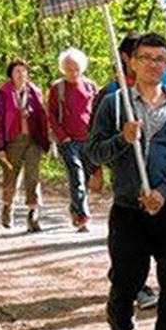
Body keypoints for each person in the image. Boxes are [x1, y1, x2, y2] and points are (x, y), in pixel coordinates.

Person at [88, 33, 166, 330]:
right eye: (146, 58)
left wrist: (165, 191)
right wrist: (123, 139)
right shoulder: (114, 103)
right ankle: (119, 321)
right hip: (127, 208)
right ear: (131, 62)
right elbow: (93, 151)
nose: (153, 65)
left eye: (160, 59)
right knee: (127, 277)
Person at [98, 31, 159, 310]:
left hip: (160, 182)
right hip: (127, 181)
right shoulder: (110, 95)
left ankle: (135, 280)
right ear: (127, 58)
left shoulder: (163, 87)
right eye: (141, 55)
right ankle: (133, 284)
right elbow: (95, 143)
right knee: (129, 240)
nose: (149, 62)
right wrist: (95, 170)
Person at [0, 59, 49, 233]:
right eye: (18, 71)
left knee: (33, 176)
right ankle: (7, 206)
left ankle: (33, 214)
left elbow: (42, 116)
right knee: (11, 176)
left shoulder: (35, 92)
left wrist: (46, 141)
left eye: (24, 71)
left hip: (33, 139)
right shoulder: (3, 93)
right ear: (11, 74)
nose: (21, 74)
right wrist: (0, 147)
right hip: (12, 140)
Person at [48, 47, 98, 231]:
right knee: (76, 176)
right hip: (69, 141)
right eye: (69, 67)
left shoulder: (90, 86)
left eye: (76, 67)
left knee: (84, 179)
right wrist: (63, 137)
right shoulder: (57, 88)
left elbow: (96, 112)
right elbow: (51, 115)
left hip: (88, 140)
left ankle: (75, 209)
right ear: (63, 68)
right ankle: (84, 215)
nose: (73, 71)